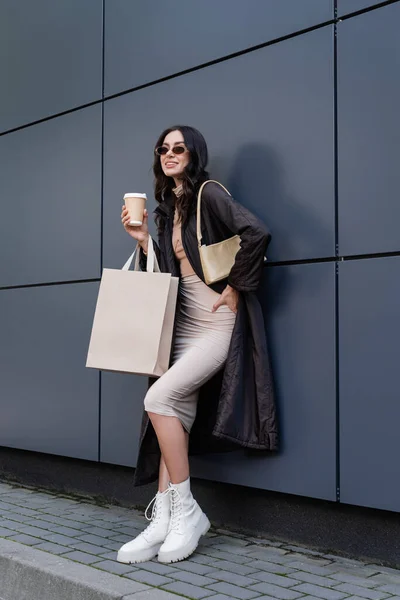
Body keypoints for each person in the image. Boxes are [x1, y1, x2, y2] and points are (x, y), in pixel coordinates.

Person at [117, 126, 277, 565]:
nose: (169, 154)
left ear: (194, 154)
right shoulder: (169, 207)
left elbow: (256, 232)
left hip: (215, 325)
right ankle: (164, 520)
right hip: (182, 328)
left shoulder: (209, 192)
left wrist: (237, 287)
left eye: (178, 148)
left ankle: (187, 511)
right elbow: (172, 269)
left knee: (159, 398)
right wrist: (145, 241)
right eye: (163, 149)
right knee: (175, 416)